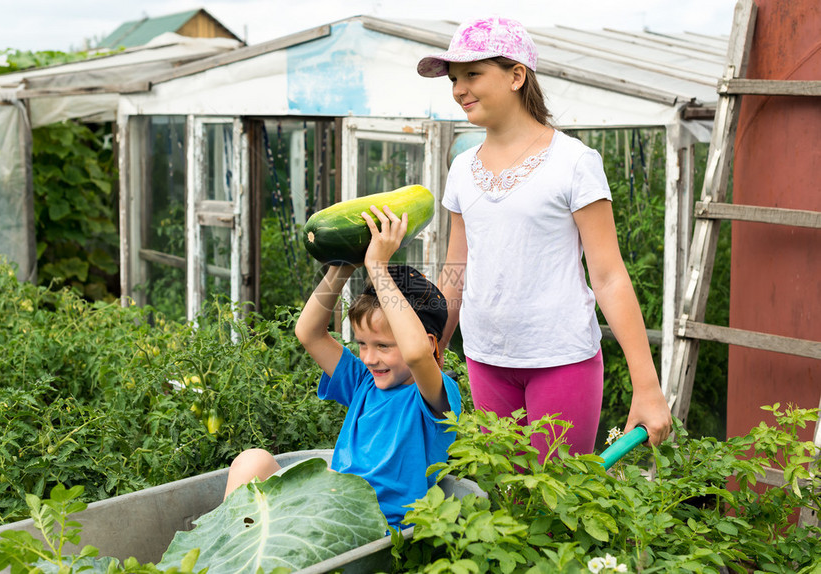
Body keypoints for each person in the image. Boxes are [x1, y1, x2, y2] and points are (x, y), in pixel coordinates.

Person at [416, 16, 672, 456]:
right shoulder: (461, 168)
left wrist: (647, 387)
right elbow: (456, 268)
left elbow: (609, 277)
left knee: (560, 509)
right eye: (454, 78)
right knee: (511, 504)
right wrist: (433, 338)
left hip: (561, 359)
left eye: (473, 74)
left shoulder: (574, 162)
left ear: (517, 75)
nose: (459, 89)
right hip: (485, 357)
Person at [224, 205, 462, 528]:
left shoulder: (435, 398)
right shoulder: (364, 383)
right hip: (328, 508)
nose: (368, 357)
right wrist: (344, 264)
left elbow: (418, 354)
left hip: (367, 527)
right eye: (363, 344)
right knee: (252, 462)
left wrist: (377, 267)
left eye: (383, 346)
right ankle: (229, 550)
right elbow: (308, 333)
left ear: (433, 344)